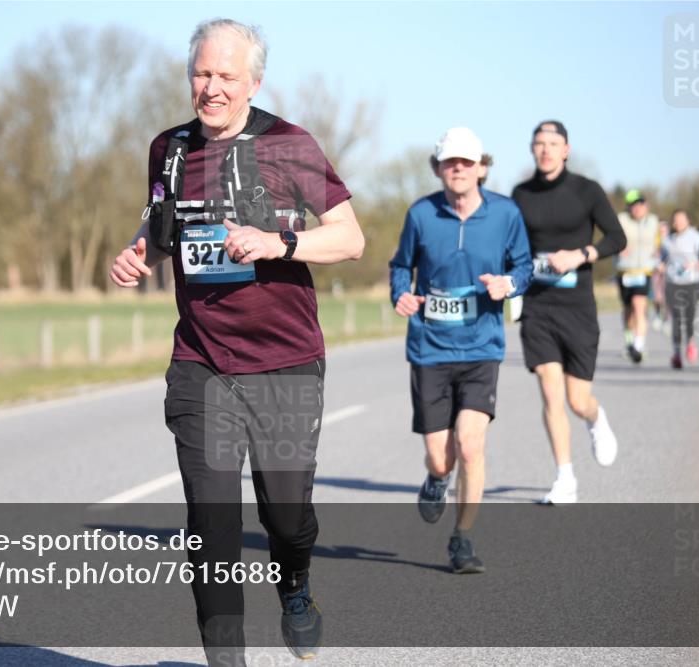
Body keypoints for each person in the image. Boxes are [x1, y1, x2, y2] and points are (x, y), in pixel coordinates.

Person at [109, 18, 364, 666]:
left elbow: (350, 237)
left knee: (286, 518)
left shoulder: (290, 144)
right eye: (202, 73)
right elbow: (162, 228)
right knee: (213, 529)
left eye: (226, 75)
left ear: (254, 82)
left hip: (286, 364)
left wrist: (281, 242)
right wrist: (138, 253)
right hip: (203, 363)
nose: (212, 87)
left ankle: (296, 584)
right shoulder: (167, 148)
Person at [389, 127, 533, 573]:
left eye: (466, 162)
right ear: (438, 168)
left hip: (481, 347)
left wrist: (509, 284)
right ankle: (436, 478)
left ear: (481, 168)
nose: (458, 169)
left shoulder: (506, 214)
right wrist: (401, 294)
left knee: (470, 446)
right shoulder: (421, 214)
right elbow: (400, 266)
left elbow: (524, 265)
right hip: (430, 347)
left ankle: (463, 538)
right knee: (441, 455)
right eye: (450, 162)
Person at [511, 121, 627, 505]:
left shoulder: (587, 190)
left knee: (578, 400)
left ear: (566, 150)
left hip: (577, 307)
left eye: (553, 143)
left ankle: (595, 419)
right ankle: (565, 477)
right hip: (538, 306)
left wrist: (580, 255)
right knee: (549, 391)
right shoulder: (521, 194)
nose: (545, 149)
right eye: (539, 143)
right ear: (532, 149)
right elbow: (512, 245)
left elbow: (616, 238)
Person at [614, 189, 661, 363]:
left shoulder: (654, 222)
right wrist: (620, 246)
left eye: (640, 204)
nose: (637, 208)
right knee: (628, 310)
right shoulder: (621, 220)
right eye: (633, 205)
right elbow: (611, 238)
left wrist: (659, 257)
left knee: (639, 305)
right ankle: (629, 341)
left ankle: (638, 346)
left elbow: (660, 243)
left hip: (644, 270)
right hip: (625, 271)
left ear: (646, 205)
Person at [661, 209, 699, 368]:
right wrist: (660, 265)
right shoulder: (668, 240)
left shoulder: (697, 237)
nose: (677, 223)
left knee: (690, 316)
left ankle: (690, 342)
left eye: (680, 219)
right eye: (675, 220)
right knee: (676, 318)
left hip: (691, 283)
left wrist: (695, 264)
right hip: (673, 282)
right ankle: (677, 353)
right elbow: (662, 258)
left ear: (687, 221)